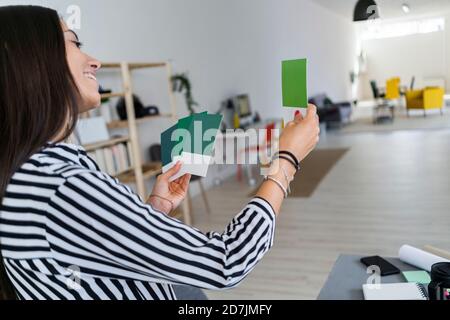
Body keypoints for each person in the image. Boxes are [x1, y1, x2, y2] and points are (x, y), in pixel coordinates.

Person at [0, 5, 320, 300]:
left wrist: (155, 210)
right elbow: (228, 260)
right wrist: (285, 162)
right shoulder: (62, 184)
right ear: (33, 62)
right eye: (74, 43)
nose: (94, 61)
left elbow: (95, 255)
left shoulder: (27, 174)